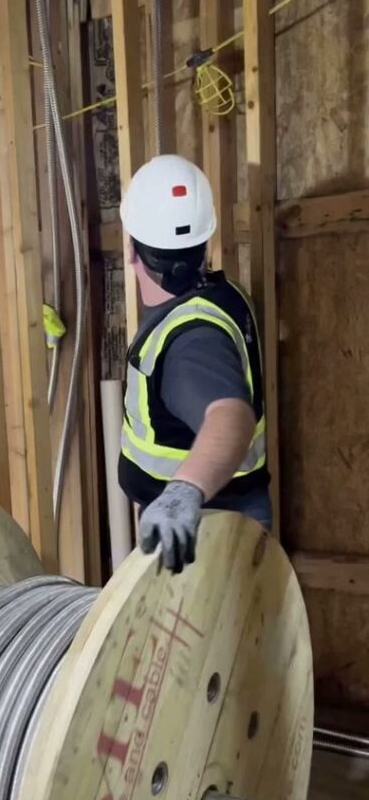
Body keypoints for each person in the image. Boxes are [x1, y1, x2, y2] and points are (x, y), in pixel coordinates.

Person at [118, 154, 271, 574]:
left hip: (201, 537)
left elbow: (230, 416)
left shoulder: (191, 342)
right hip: (205, 524)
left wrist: (182, 492)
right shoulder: (220, 297)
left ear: (131, 250)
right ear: (206, 243)